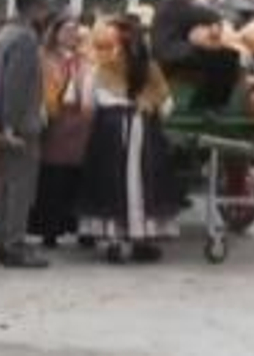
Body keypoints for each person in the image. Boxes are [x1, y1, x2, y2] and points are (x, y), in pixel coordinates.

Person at [76, 15, 178, 262]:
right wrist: (150, 106)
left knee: (112, 181)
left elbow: (88, 104)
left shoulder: (101, 66)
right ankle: (141, 237)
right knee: (143, 181)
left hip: (110, 128)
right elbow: (167, 105)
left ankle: (115, 238)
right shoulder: (150, 67)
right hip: (144, 127)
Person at [0, 0, 51, 269]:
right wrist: (10, 125)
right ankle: (14, 245)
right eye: (43, 6)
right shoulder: (25, 38)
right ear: (33, 8)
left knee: (2, 188)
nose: (45, 12)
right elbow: (15, 84)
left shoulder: (3, 34)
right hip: (19, 125)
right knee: (19, 188)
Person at [29, 15, 94, 248]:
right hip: (56, 122)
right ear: (55, 32)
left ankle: (82, 229)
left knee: (80, 177)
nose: (72, 35)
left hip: (80, 124)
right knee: (53, 177)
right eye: (67, 30)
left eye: (75, 30)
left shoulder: (85, 59)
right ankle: (50, 230)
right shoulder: (44, 58)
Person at [150, 0, 241, 111]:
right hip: (171, 52)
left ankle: (203, 103)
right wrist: (218, 22)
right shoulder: (177, 2)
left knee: (219, 57)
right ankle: (210, 105)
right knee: (228, 57)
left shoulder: (172, 0)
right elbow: (206, 15)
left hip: (172, 49)